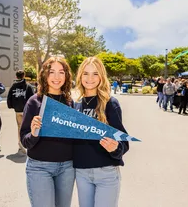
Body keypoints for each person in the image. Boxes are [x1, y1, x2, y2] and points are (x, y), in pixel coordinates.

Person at [74, 57, 129, 207]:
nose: (90, 78)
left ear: (101, 76)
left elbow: (124, 143)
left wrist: (116, 148)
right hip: (82, 173)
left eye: (95, 74)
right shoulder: (75, 105)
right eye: (86, 73)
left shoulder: (110, 103)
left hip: (106, 173)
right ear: (80, 76)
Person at [20, 57, 75, 207]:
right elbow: (25, 141)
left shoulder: (70, 103)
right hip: (39, 167)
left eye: (61, 72)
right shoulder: (34, 102)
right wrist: (33, 133)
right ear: (44, 75)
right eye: (52, 72)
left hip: (67, 168)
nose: (56, 77)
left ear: (66, 76)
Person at [7, 70, 35, 154]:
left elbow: (9, 97)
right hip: (27, 110)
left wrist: (12, 106)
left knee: (20, 127)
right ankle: (29, 143)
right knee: (29, 126)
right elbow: (33, 98)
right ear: (24, 76)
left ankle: (20, 144)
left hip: (18, 110)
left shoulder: (13, 86)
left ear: (16, 77)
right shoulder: (28, 86)